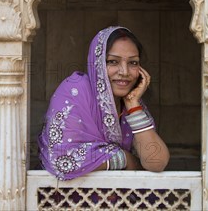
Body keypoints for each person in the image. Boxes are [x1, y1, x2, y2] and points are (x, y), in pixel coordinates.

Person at [38, 26, 170, 180]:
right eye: (113, 61)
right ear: (97, 64)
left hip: (120, 199)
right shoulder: (75, 90)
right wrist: (125, 159)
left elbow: (157, 162)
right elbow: (62, 161)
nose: (125, 72)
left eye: (133, 63)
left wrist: (133, 106)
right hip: (70, 199)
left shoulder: (131, 102)